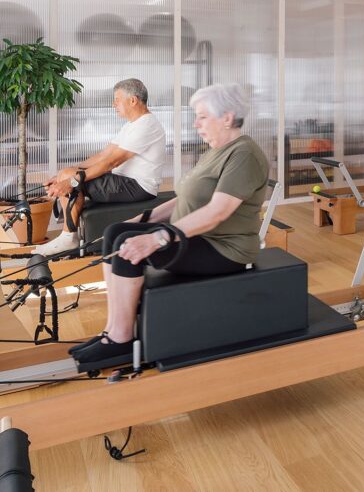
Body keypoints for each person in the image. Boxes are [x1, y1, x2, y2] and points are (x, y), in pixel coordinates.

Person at [70, 83, 269, 365]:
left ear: (227, 117)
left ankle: (121, 339)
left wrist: (158, 237)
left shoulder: (243, 154)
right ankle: (113, 329)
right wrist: (144, 219)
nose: (196, 124)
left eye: (202, 116)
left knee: (128, 245)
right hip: (196, 236)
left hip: (224, 248)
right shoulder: (216, 150)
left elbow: (217, 211)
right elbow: (185, 199)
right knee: (116, 231)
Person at [36, 79, 166, 256]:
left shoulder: (147, 125)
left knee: (69, 176)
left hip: (138, 187)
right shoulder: (132, 125)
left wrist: (72, 180)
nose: (113, 104)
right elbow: (104, 155)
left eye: (117, 99)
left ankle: (68, 238)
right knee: (66, 173)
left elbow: (111, 163)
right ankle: (68, 236)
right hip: (125, 182)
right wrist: (66, 174)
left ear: (133, 100)